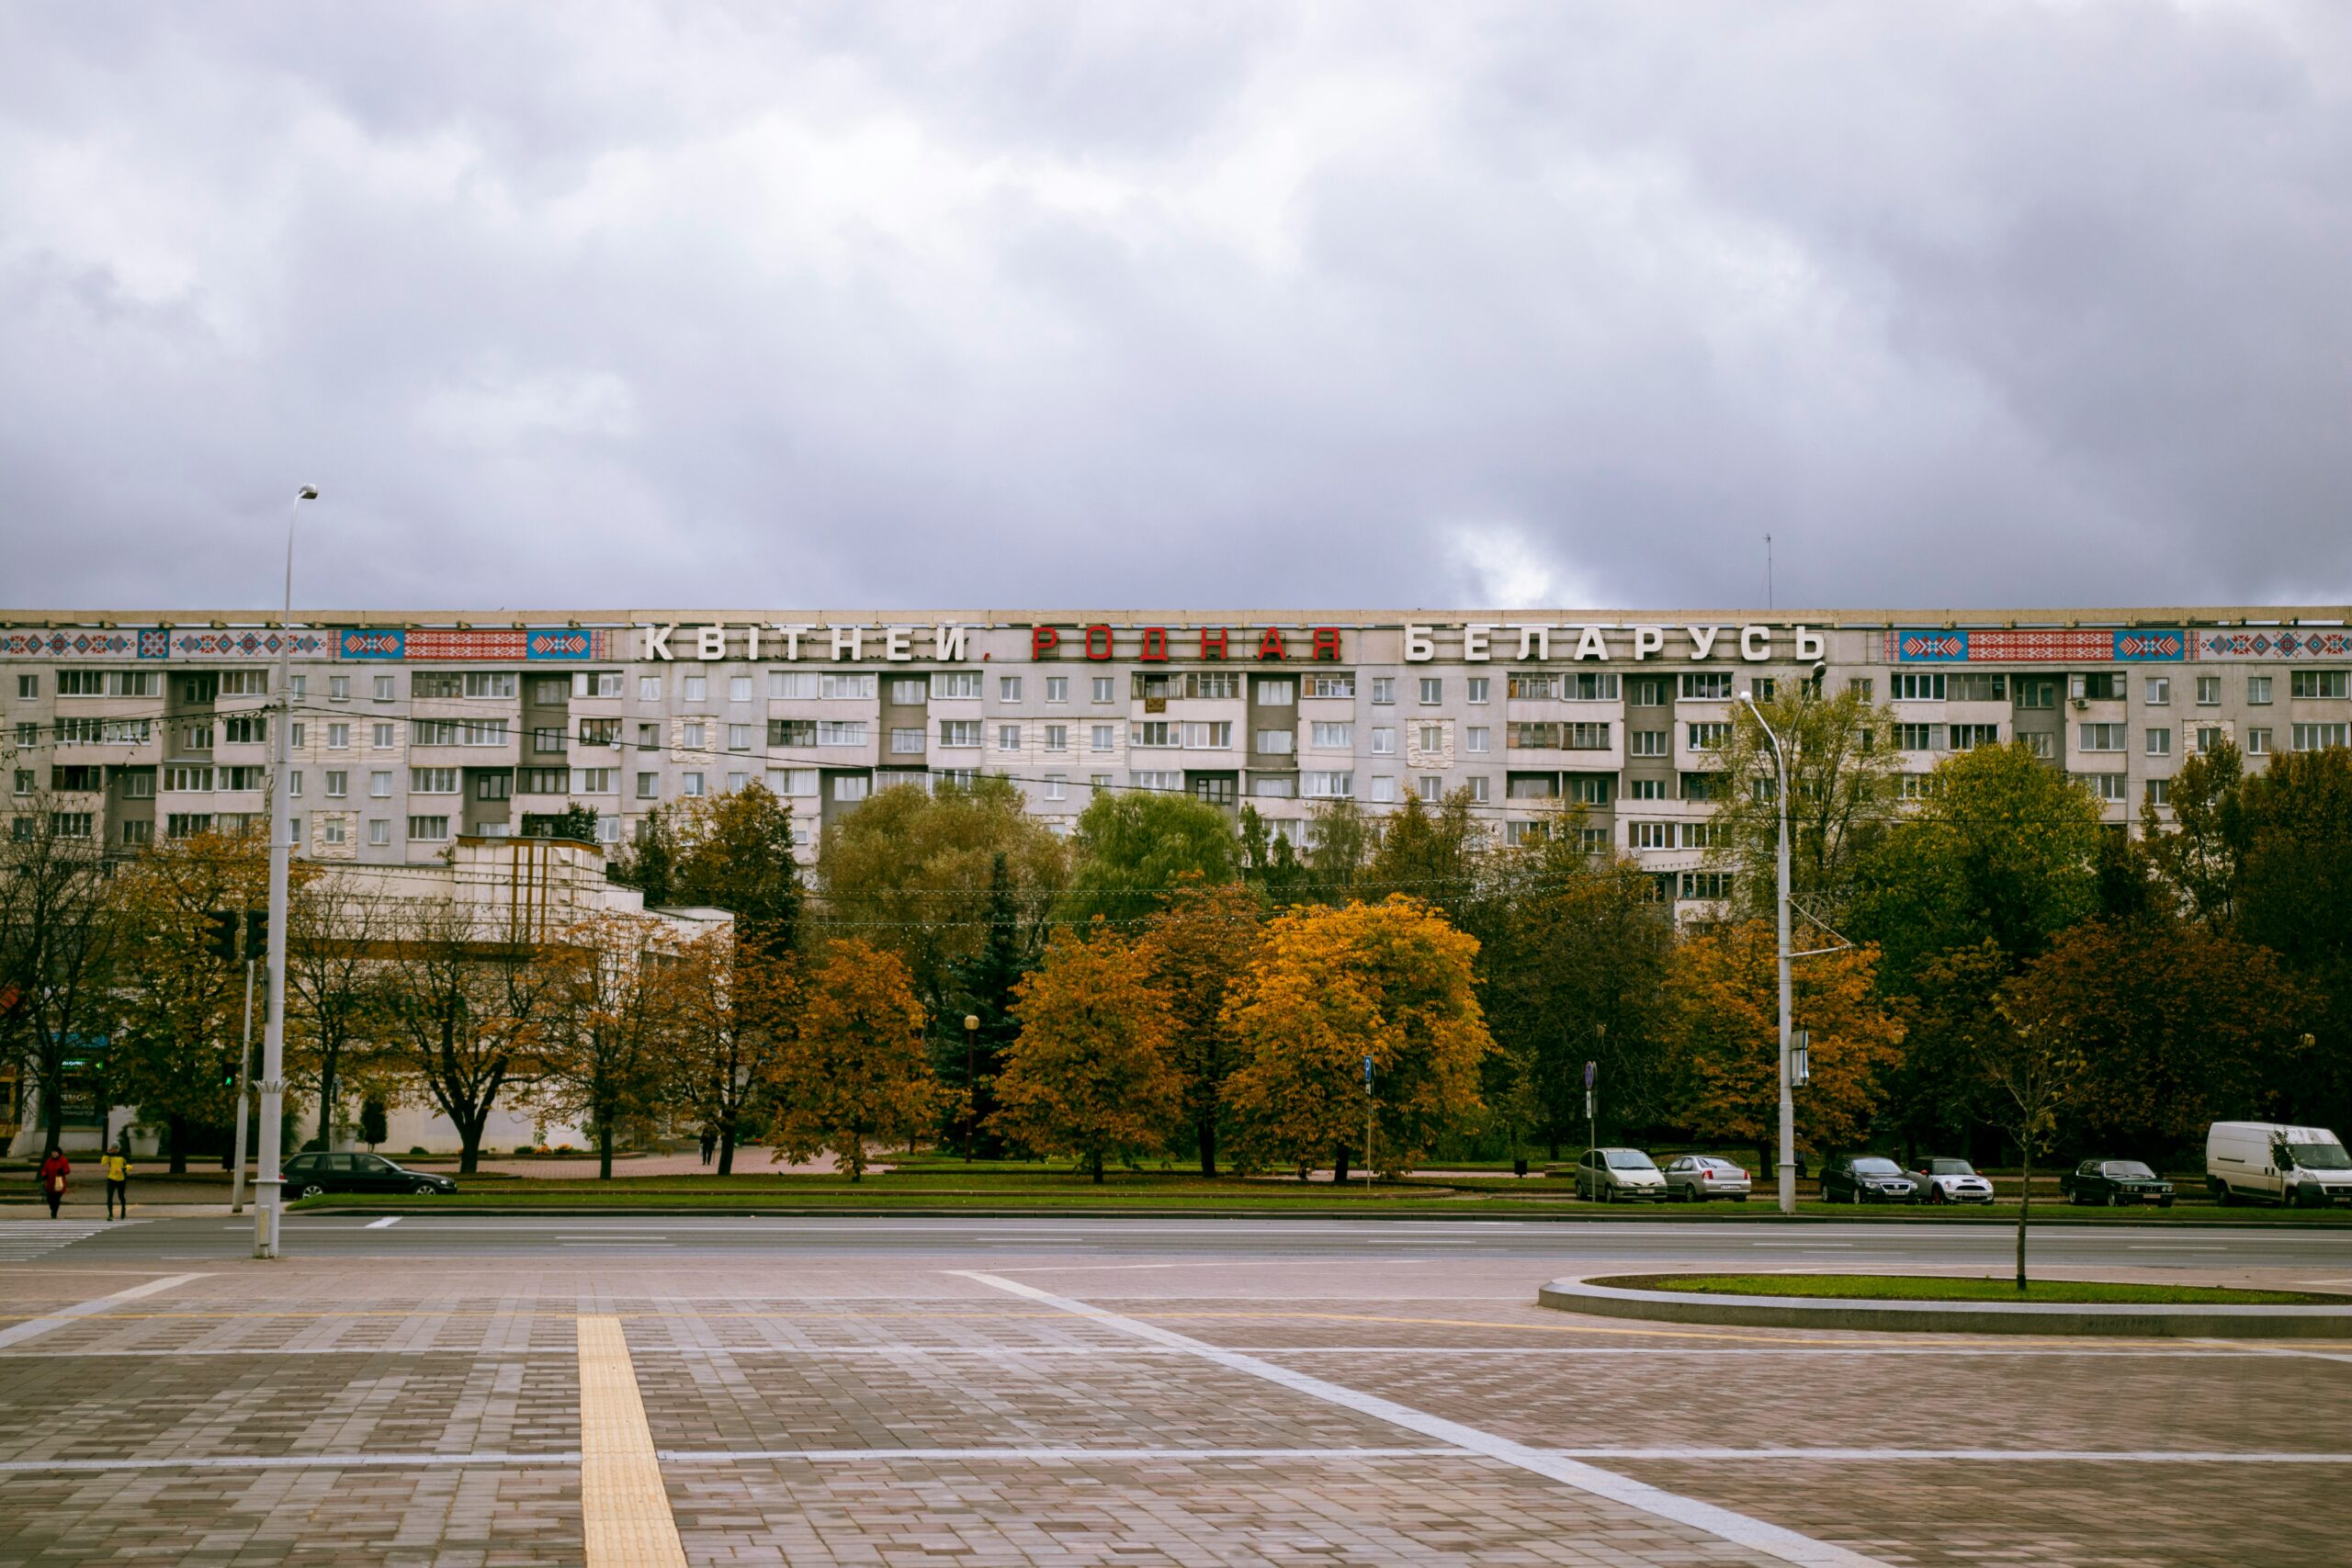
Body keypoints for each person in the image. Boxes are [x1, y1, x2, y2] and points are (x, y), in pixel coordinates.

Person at [38, 1148, 71, 1219]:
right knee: (49, 1199)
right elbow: (44, 1170)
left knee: (56, 1199)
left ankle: (54, 1212)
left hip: (59, 1183)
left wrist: (62, 1171)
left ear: (59, 1153)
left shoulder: (63, 1160)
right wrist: (44, 1174)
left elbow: (67, 1170)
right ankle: (52, 1209)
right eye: (53, 1152)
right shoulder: (49, 1161)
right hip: (49, 1183)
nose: (54, 1153)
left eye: (56, 1152)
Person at [105, 1143, 132, 1220]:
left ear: (118, 1148)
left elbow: (130, 1165)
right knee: (109, 1196)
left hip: (121, 1179)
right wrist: (107, 1154)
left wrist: (123, 1169)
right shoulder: (110, 1155)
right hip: (111, 1178)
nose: (114, 1150)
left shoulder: (124, 1155)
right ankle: (110, 1214)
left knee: (121, 1196)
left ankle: (123, 1210)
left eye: (115, 1149)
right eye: (112, 1149)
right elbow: (103, 1162)